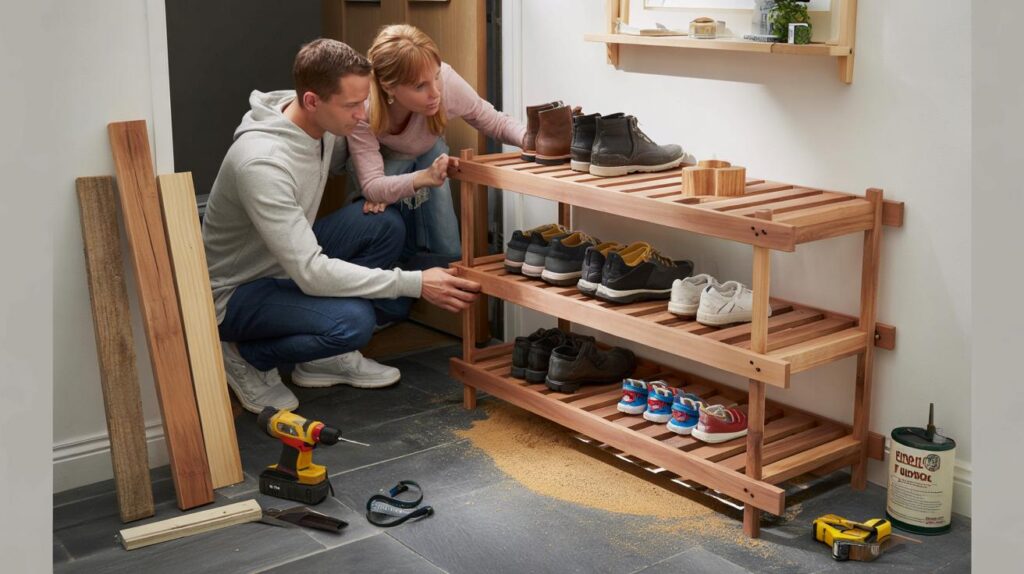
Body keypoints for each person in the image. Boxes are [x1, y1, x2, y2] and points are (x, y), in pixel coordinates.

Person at [202, 38, 480, 414]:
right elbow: (311, 273)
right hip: (239, 291)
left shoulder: (324, 124)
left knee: (383, 225)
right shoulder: (262, 163)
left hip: (285, 260)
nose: (362, 113)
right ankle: (246, 354)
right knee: (354, 322)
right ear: (313, 101)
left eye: (364, 100)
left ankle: (318, 357)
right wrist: (416, 284)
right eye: (352, 105)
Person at [346, 24, 526, 268]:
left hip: (428, 156)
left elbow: (492, 120)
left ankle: (440, 273)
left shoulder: (446, 84)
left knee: (445, 237)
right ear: (388, 86)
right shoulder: (362, 109)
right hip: (384, 165)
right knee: (385, 224)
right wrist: (418, 179)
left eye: (436, 76)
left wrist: (531, 138)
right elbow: (372, 185)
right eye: (420, 86)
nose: (435, 93)